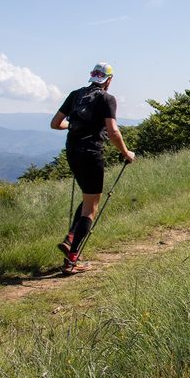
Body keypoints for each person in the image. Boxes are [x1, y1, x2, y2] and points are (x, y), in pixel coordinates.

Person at [51, 62, 135, 272]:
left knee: (88, 198)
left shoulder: (75, 95)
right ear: (109, 79)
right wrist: (126, 153)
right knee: (91, 207)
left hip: (72, 152)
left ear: (91, 77)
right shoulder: (107, 99)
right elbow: (113, 131)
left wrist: (72, 125)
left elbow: (55, 123)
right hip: (91, 153)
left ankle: (71, 237)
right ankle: (72, 259)